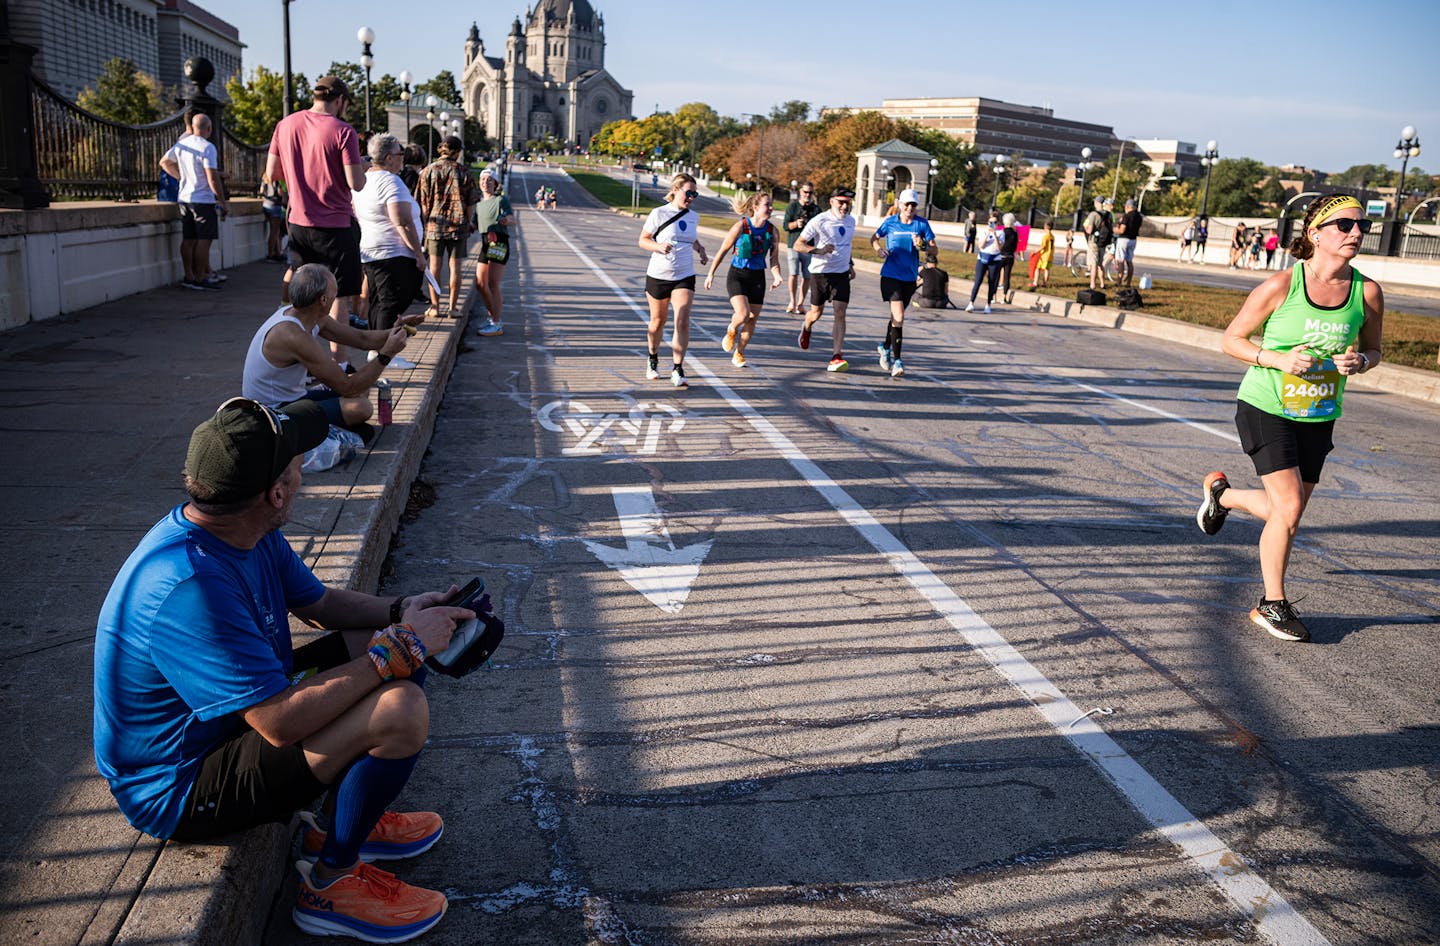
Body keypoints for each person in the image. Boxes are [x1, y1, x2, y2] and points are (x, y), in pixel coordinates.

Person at [94, 396, 475, 942]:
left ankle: (349, 819)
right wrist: (401, 648)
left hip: (230, 723)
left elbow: (322, 606)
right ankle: (332, 883)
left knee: (381, 644)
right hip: (179, 782)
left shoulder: (240, 528)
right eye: (298, 460)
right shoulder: (188, 586)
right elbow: (277, 723)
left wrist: (403, 610)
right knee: (401, 706)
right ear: (277, 493)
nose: (304, 467)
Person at [1194, 195, 1383, 643]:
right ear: (1315, 233)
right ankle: (1271, 604)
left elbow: (1375, 350)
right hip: (1265, 405)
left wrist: (1361, 363)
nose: (1356, 233)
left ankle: (1223, 498)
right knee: (1290, 507)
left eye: (1363, 227)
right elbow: (1231, 340)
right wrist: (1275, 359)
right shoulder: (1283, 285)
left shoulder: (1367, 291)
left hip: (1318, 413)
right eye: (1344, 225)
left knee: (1288, 512)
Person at [243, 264, 411, 428]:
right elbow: (348, 387)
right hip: (272, 412)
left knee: (363, 390)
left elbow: (362, 339)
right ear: (323, 300)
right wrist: (386, 355)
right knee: (361, 407)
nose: (336, 298)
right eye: (335, 293)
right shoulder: (293, 335)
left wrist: (399, 331)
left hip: (292, 397)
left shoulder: (306, 314)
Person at [265, 76, 367, 329]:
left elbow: (272, 173)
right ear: (340, 100)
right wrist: (362, 166)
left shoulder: (285, 125)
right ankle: (339, 362)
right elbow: (356, 183)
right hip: (336, 225)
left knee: (303, 298)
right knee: (338, 297)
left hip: (298, 223)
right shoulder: (344, 131)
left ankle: (301, 355)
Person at [352, 135, 426, 354]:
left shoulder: (366, 179)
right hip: (394, 253)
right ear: (388, 158)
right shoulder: (390, 181)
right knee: (390, 304)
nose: (402, 158)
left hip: (373, 252)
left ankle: (376, 351)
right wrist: (418, 254)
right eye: (399, 154)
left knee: (379, 303)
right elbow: (401, 221)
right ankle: (384, 354)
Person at [638, 173, 709, 388]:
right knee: (658, 322)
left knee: (683, 319)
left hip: (684, 275)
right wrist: (658, 247)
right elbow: (643, 240)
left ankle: (678, 368)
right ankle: (652, 358)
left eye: (695, 194)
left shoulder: (693, 216)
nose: (691, 197)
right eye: (688, 193)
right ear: (676, 190)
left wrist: (700, 249)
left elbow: (690, 237)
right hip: (659, 275)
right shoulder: (658, 213)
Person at [704, 190, 782, 368]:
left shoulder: (772, 231)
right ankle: (732, 329)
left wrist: (777, 276)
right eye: (766, 205)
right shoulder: (741, 226)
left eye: (771, 205)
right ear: (755, 207)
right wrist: (711, 273)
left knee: (752, 318)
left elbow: (774, 259)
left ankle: (739, 353)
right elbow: (723, 250)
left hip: (757, 277)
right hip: (737, 275)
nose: (770, 208)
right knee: (743, 314)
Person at [869, 188, 937, 379]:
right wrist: (879, 250)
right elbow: (874, 238)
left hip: (909, 278)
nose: (909, 208)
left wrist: (922, 245)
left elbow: (935, 250)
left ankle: (885, 346)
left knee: (896, 318)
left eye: (913, 205)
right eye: (906, 204)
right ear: (900, 205)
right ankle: (897, 361)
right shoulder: (890, 222)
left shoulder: (921, 224)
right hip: (891, 275)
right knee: (898, 316)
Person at [794, 187, 858, 372]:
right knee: (816, 313)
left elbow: (846, 245)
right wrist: (818, 251)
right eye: (841, 202)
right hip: (820, 273)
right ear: (831, 201)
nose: (844, 206)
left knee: (840, 311)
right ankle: (806, 327)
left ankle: (836, 356)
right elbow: (799, 244)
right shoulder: (819, 220)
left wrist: (851, 265)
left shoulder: (851, 221)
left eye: (847, 203)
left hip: (841, 274)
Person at [161, 112, 226, 291]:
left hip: (185, 198)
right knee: (204, 241)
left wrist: (181, 178)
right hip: (203, 200)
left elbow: (165, 162)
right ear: (209, 129)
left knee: (188, 239)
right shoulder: (208, 147)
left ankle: (189, 276)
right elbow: (212, 178)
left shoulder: (182, 145)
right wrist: (222, 201)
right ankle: (200, 278)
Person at [417, 136, 478, 318]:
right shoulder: (464, 172)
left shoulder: (427, 171)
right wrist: (468, 221)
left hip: (434, 225)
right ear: (457, 151)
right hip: (458, 226)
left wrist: (427, 220)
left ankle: (435, 307)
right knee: (455, 268)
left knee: (434, 267)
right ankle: (452, 308)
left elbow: (423, 202)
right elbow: (470, 203)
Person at [473, 167, 515, 337]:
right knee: (480, 284)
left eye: (489, 180)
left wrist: (506, 220)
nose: (485, 183)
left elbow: (512, 218)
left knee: (493, 283)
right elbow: (474, 224)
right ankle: (493, 318)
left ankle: (496, 323)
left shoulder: (500, 201)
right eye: (483, 179)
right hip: (485, 241)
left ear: (495, 183)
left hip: (498, 241)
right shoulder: (478, 204)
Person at [782, 182, 820, 313]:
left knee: (807, 276)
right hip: (793, 245)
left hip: (809, 247)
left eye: (810, 193)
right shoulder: (792, 206)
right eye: (805, 192)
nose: (807, 195)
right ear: (800, 192)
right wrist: (795, 224)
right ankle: (792, 302)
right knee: (793, 273)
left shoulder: (816, 210)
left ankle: (800, 303)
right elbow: (785, 225)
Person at [965, 212, 1004, 313]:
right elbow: (981, 246)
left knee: (992, 282)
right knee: (977, 281)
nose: (992, 225)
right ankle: (971, 303)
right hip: (982, 258)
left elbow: (998, 248)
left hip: (995, 260)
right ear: (987, 222)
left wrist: (995, 234)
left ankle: (988, 305)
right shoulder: (983, 232)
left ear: (998, 223)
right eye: (990, 222)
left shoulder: (1001, 233)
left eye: (995, 222)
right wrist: (988, 234)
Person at [1082, 196, 1113, 291]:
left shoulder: (1093, 214)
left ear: (1097, 203)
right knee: (1100, 264)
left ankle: (1092, 284)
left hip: (1094, 242)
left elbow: (1090, 229)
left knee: (1094, 263)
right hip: (1103, 242)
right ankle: (1103, 284)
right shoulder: (1109, 214)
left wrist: (1086, 230)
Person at [1115, 197, 1143, 287]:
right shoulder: (1139, 217)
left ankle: (1119, 282)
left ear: (1128, 207)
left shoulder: (1126, 216)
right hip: (1133, 239)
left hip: (1124, 239)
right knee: (1129, 261)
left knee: (1120, 261)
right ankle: (1128, 283)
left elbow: (1122, 230)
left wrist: (1115, 230)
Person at [260, 176, 288, 262]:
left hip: (265, 204)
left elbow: (261, 191)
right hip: (275, 205)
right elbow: (280, 193)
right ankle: (270, 254)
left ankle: (277, 253)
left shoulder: (265, 177)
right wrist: (285, 202)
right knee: (274, 232)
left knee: (275, 232)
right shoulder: (278, 179)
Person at [996, 212, 1019, 303]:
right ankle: (1004, 297)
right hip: (1010, 256)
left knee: (996, 275)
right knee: (1007, 276)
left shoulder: (1002, 232)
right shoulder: (1015, 234)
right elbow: (1015, 247)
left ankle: (994, 296)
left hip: (1000, 256)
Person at [1029, 220, 1055, 289]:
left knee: (1037, 268)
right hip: (1050, 256)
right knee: (1047, 269)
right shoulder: (1052, 236)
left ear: (1046, 227)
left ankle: (1035, 282)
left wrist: (1035, 252)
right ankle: (1044, 283)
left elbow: (1043, 246)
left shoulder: (1045, 236)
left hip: (1044, 256)